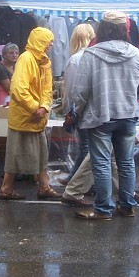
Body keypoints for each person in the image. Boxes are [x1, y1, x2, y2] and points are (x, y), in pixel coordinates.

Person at [71, 11, 139, 220]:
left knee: (102, 164)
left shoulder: (91, 54)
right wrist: (133, 104)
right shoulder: (136, 54)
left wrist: (77, 112)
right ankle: (127, 205)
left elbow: (80, 92)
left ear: (103, 29)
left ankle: (103, 209)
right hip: (128, 117)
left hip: (100, 116)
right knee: (126, 163)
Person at [0, 27, 60, 201]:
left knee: (41, 155)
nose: (51, 45)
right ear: (40, 42)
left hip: (36, 117)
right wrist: (35, 108)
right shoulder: (26, 59)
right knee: (15, 155)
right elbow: (18, 89)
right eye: (49, 41)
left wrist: (44, 108)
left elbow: (48, 88)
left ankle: (43, 186)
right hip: (25, 117)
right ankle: (6, 189)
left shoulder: (43, 61)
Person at [61, 23, 96, 181]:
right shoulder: (96, 57)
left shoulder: (76, 60)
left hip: (81, 109)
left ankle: (74, 179)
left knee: (86, 147)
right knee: (90, 147)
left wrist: (68, 111)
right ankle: (78, 179)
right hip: (95, 110)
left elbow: (71, 90)